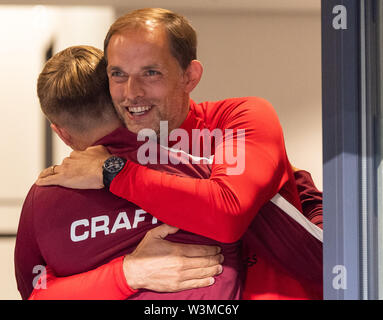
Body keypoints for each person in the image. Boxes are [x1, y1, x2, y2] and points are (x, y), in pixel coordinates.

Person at [36, 8, 323, 299]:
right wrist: (127, 273)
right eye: (118, 74)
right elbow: (39, 292)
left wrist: (112, 171)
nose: (132, 92)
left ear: (190, 76)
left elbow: (227, 214)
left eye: (151, 73)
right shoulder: (93, 170)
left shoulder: (240, 117)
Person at [15, 45, 242, 300]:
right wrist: (127, 273)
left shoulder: (42, 198)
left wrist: (121, 276)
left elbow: (34, 291)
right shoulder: (207, 168)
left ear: (62, 133)